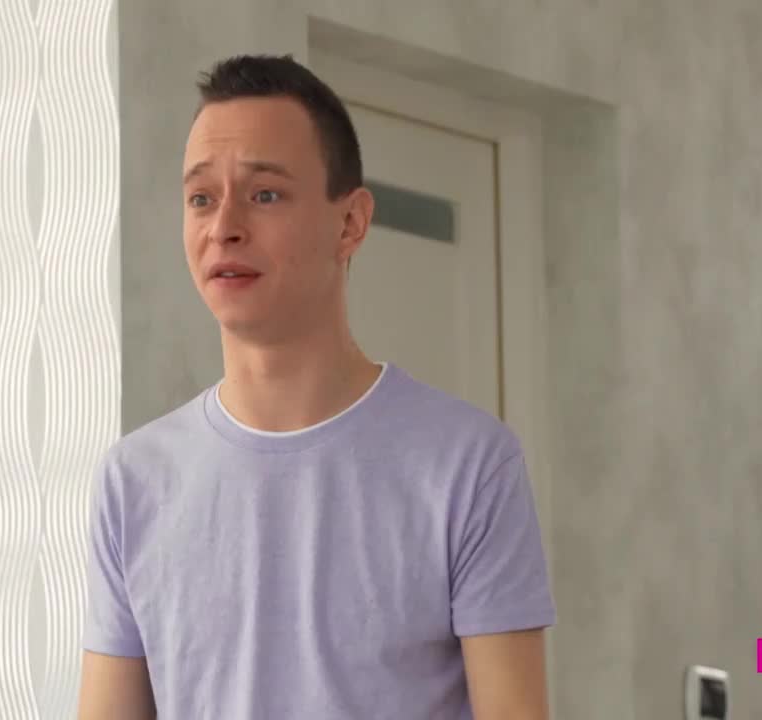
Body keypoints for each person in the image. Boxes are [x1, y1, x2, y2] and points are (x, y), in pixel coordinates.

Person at [76, 53, 556, 719]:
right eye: (201, 199)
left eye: (265, 195)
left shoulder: (468, 466)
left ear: (350, 223)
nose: (224, 227)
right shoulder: (134, 481)